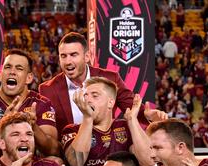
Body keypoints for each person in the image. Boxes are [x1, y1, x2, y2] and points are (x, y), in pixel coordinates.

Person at [38, 32, 166, 136]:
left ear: (87, 56)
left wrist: (148, 115)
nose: (68, 61)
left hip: (108, 150)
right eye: (63, 56)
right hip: (70, 155)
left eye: (73, 55)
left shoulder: (110, 78)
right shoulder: (47, 89)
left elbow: (130, 107)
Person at [61, 77, 153, 166]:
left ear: (111, 103)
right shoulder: (72, 130)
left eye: (95, 95)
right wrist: (88, 118)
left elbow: (148, 160)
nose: (88, 99)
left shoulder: (126, 126)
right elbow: (76, 162)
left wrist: (132, 121)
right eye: (85, 95)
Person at [0, 49, 60, 159]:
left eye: (19, 68)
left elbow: (53, 150)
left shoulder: (41, 103)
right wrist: (3, 123)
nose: (12, 72)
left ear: (29, 78)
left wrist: (33, 127)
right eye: (8, 67)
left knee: (55, 161)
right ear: (0, 75)